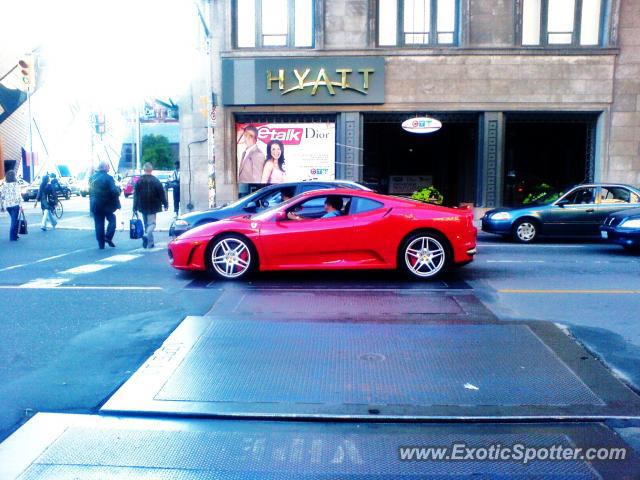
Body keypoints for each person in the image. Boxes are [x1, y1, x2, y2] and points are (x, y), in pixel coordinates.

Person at [133, 162, 168, 249]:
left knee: (146, 224)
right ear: (151, 170)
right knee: (152, 224)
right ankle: (146, 235)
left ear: (144, 170)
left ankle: (150, 243)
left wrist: (134, 207)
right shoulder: (156, 181)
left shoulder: (139, 181)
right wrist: (165, 204)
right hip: (153, 205)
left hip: (142, 205)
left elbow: (135, 195)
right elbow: (161, 194)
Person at [89, 161, 121, 249]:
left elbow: (90, 192)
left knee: (99, 224)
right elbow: (114, 191)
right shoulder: (108, 178)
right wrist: (118, 191)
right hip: (107, 204)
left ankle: (101, 244)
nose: (109, 168)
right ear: (104, 167)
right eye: (108, 166)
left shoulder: (92, 178)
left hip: (95, 204)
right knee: (112, 219)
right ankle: (108, 237)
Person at [0, 170, 23, 241]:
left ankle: (15, 235)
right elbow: (18, 195)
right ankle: (12, 237)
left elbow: (2, 195)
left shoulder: (4, 185)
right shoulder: (16, 184)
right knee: (14, 221)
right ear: (14, 176)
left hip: (7, 206)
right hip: (15, 205)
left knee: (14, 220)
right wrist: (21, 205)